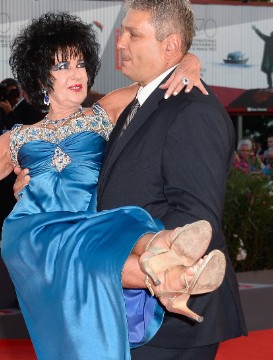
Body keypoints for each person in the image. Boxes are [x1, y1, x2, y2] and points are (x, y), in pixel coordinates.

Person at [0, 11, 226, 360]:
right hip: (38, 234)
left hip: (96, 228)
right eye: (62, 66)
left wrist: (190, 61)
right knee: (99, 238)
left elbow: (160, 72)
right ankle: (170, 273)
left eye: (80, 63)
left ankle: (170, 261)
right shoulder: (18, 139)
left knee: (126, 220)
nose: (76, 73)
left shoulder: (104, 112)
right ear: (41, 78)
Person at [95, 1, 246, 358]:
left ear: (171, 46)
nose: (120, 42)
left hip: (173, 321)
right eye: (122, 32)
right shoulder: (143, 102)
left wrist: (116, 247)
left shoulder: (192, 110)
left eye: (133, 34)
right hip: (140, 312)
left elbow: (196, 219)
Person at [0, 78, 45, 230]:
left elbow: (28, 137)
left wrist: (10, 114)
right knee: (2, 212)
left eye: (13, 91)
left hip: (21, 173)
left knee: (20, 213)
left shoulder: (29, 110)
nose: (11, 95)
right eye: (7, 91)